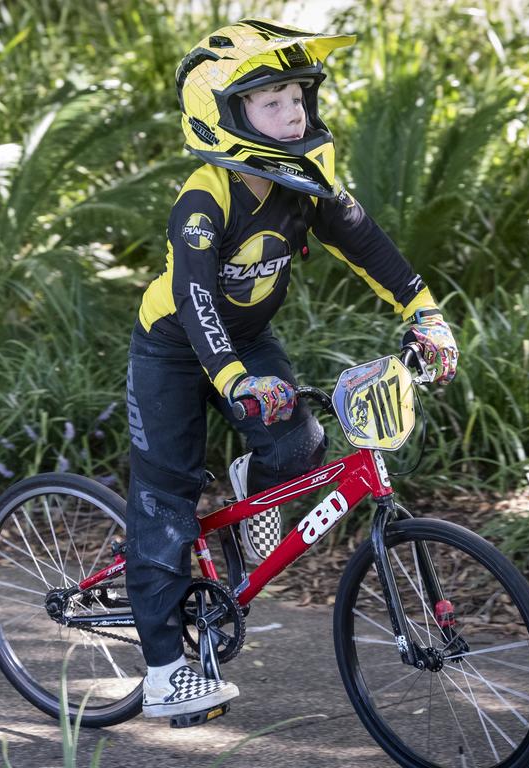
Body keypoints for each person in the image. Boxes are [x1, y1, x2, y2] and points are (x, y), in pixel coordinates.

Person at [123, 17, 459, 721]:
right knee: (167, 502)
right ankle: (162, 674)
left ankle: (252, 484)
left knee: (300, 445)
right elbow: (194, 298)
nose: (294, 112)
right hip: (176, 346)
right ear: (223, 112)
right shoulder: (205, 195)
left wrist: (424, 313)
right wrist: (237, 382)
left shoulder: (305, 183)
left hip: (246, 336)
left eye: (299, 97)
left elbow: (370, 246)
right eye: (271, 101)